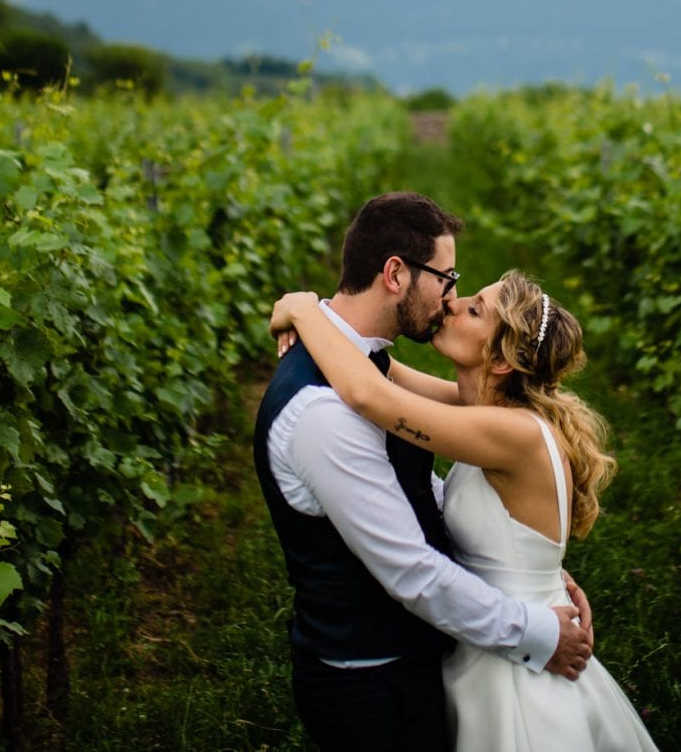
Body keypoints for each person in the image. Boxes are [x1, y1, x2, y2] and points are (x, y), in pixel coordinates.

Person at [253, 193, 595, 752]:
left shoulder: (495, 423)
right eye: (448, 278)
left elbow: (372, 394)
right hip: (370, 683)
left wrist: (303, 307)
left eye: (472, 301)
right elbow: (412, 567)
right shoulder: (324, 410)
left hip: (457, 658)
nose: (453, 297)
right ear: (395, 274)